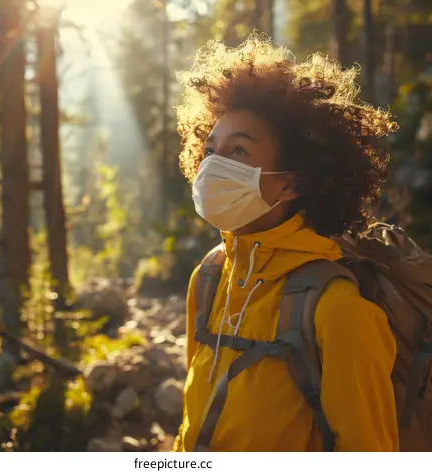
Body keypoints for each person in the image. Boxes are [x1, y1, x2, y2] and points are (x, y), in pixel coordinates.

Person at [171, 33, 400, 452]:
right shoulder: (209, 275)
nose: (213, 165)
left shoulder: (337, 309)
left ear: (291, 182)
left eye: (238, 151)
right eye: (210, 150)